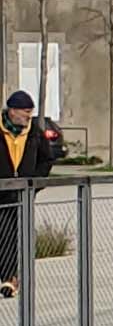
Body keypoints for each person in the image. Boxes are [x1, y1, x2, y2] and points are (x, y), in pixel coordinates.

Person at [0, 91, 62, 297]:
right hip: (1, 191)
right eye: (25, 112)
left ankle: (9, 279)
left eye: (31, 112)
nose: (28, 116)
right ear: (12, 111)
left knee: (12, 234)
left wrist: (34, 183)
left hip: (21, 194)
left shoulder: (34, 132)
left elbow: (46, 159)